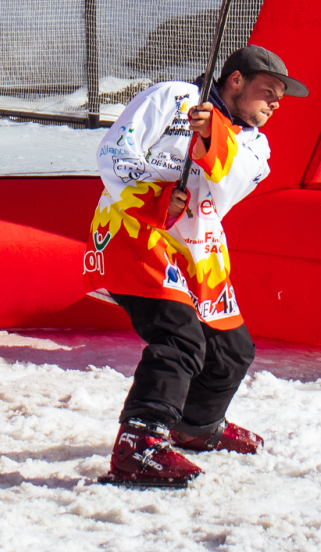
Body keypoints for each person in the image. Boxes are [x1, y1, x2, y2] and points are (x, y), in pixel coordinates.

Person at [83, 45, 308, 488]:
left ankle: (196, 425)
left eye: (280, 96)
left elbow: (227, 186)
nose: (276, 103)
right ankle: (139, 445)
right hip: (136, 233)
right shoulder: (172, 98)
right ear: (236, 80)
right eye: (269, 91)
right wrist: (159, 191)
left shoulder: (256, 145)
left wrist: (213, 136)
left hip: (198, 252)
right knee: (179, 335)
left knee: (232, 351)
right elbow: (113, 153)